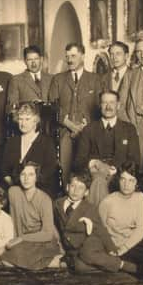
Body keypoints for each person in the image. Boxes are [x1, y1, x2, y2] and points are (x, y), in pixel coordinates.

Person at [54, 171, 139, 274]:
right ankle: (106, 265)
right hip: (73, 246)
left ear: (86, 192)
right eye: (73, 186)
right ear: (67, 187)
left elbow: (101, 229)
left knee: (87, 254)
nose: (76, 190)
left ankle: (121, 264)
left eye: (81, 188)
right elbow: (55, 225)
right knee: (78, 267)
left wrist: (111, 248)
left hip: (90, 241)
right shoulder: (58, 204)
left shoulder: (90, 208)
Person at [48, 43, 103, 186]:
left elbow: (100, 107)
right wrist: (69, 125)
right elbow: (52, 107)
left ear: (83, 56)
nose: (69, 60)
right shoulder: (58, 79)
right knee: (64, 172)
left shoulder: (95, 79)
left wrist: (87, 126)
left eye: (73, 56)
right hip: (65, 131)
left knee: (86, 171)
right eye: (67, 56)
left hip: (88, 132)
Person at [99, 162, 143, 272]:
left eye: (131, 180)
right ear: (118, 180)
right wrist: (113, 249)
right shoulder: (107, 202)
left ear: (137, 182)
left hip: (131, 243)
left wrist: (125, 248)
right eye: (123, 179)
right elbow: (101, 230)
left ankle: (137, 267)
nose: (126, 184)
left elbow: (141, 229)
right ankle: (133, 267)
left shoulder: (140, 197)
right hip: (114, 246)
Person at [75, 90, 140, 205]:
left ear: (118, 105)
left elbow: (134, 159)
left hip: (119, 174)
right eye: (104, 103)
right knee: (99, 181)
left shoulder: (129, 129)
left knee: (100, 182)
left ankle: (97, 219)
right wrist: (93, 163)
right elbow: (78, 161)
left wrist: (116, 169)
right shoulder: (89, 129)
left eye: (112, 103)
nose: (108, 106)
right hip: (95, 173)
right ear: (100, 105)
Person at [0, 162, 63, 270]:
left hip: (42, 240)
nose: (26, 178)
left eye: (31, 175)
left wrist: (21, 238)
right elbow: (15, 220)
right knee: (4, 260)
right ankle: (49, 262)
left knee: (12, 258)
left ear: (36, 177)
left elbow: (47, 234)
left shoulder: (45, 199)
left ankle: (54, 260)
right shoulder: (13, 192)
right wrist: (14, 240)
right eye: (23, 174)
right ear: (18, 176)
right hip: (23, 240)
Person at [1, 102, 58, 198]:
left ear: (35, 121)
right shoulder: (12, 142)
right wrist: (15, 187)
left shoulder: (46, 143)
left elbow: (49, 170)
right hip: (15, 191)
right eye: (20, 119)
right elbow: (4, 169)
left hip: (39, 191)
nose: (23, 123)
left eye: (27, 119)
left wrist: (29, 187)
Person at [6, 45, 53, 111]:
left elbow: (56, 104)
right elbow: (12, 107)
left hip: (48, 119)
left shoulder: (52, 78)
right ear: (25, 62)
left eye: (36, 59)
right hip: (27, 119)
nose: (33, 63)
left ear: (41, 59)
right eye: (30, 60)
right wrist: (30, 104)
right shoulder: (16, 80)